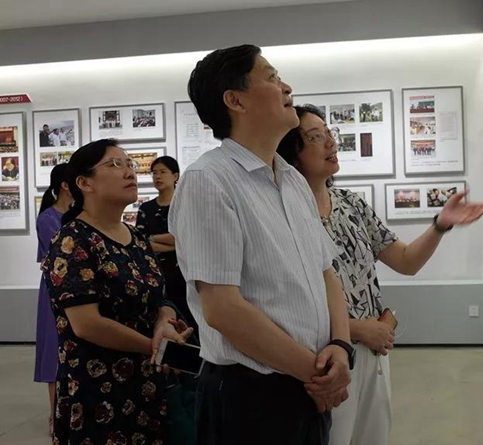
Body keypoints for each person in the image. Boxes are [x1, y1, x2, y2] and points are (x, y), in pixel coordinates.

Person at [169, 44, 353, 445]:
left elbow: (326, 273)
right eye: (271, 78)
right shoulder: (208, 181)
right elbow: (223, 310)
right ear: (235, 101)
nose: (286, 87)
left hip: (307, 385)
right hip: (251, 395)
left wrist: (340, 347)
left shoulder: (292, 180)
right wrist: (319, 374)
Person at [277, 105, 483, 445]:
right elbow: (287, 300)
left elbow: (405, 261)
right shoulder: (283, 215)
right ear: (292, 154)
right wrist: (358, 329)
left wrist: (440, 225)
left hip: (373, 354)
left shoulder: (350, 204)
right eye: (315, 137)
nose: (331, 143)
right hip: (326, 359)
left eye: (329, 133)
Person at [41, 138, 192, 445]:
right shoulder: (72, 241)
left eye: (130, 164)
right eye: (115, 164)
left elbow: (160, 297)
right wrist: (156, 348)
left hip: (147, 386)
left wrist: (164, 321)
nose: (130, 172)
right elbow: (87, 324)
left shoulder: (136, 238)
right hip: (99, 392)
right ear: (84, 183)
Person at [136, 156, 197, 332]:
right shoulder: (146, 208)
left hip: (183, 274)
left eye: (163, 172)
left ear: (175, 176)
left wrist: (153, 238)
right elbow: (141, 243)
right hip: (155, 274)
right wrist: (174, 242)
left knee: (189, 320)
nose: (158, 176)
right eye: (154, 173)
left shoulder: (186, 205)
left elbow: (188, 239)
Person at [34, 163, 73, 436]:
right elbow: (60, 253)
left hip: (78, 287)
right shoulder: (47, 218)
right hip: (55, 290)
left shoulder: (78, 214)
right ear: (65, 185)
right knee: (53, 353)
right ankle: (55, 414)